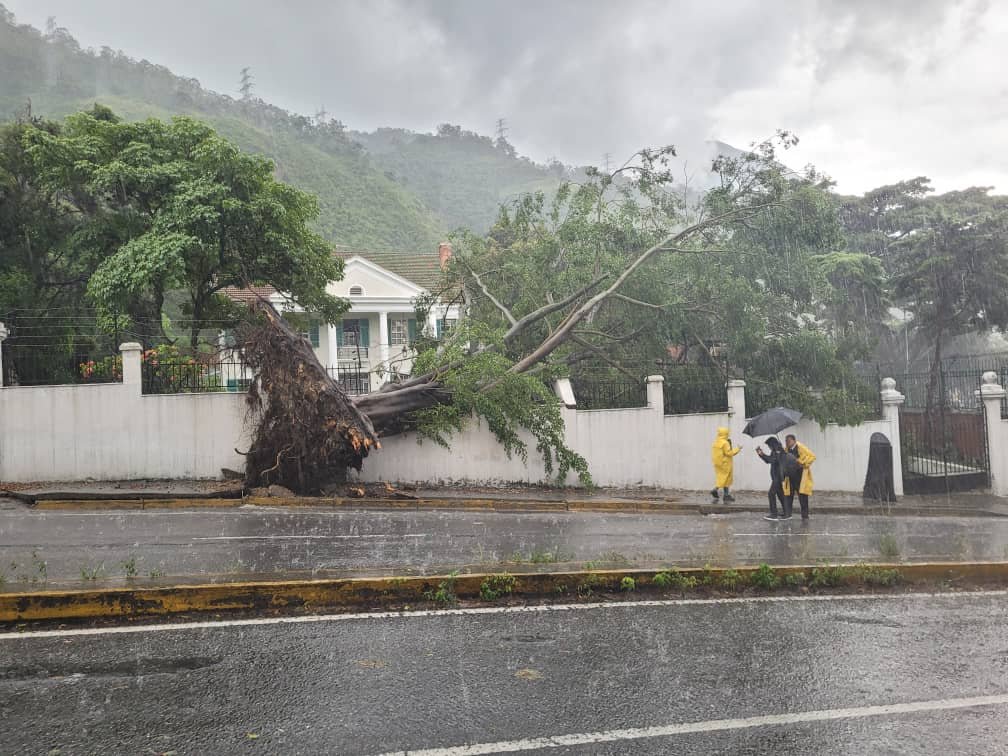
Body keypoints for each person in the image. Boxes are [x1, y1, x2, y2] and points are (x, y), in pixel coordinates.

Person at [756, 437, 791, 521]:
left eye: (769, 445)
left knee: (771, 494)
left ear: (772, 444)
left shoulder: (778, 451)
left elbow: (772, 460)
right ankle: (787, 513)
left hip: (778, 477)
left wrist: (762, 454)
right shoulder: (776, 450)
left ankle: (774, 514)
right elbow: (769, 461)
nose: (769, 447)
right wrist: (761, 455)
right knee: (780, 495)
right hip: (777, 476)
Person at [782, 434, 816, 520]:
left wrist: (802, 463)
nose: (787, 443)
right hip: (790, 477)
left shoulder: (800, 447)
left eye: (788, 441)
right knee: (788, 496)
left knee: (803, 497)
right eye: (786, 441)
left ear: (794, 440)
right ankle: (788, 514)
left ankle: (805, 516)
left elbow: (812, 456)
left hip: (800, 477)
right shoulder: (786, 450)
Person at [710, 427, 742, 502]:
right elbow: (729, 453)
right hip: (726, 464)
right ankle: (718, 491)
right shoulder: (725, 443)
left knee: (722, 478)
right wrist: (738, 449)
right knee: (726, 479)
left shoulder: (716, 441)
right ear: (725, 434)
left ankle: (726, 495)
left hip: (718, 463)